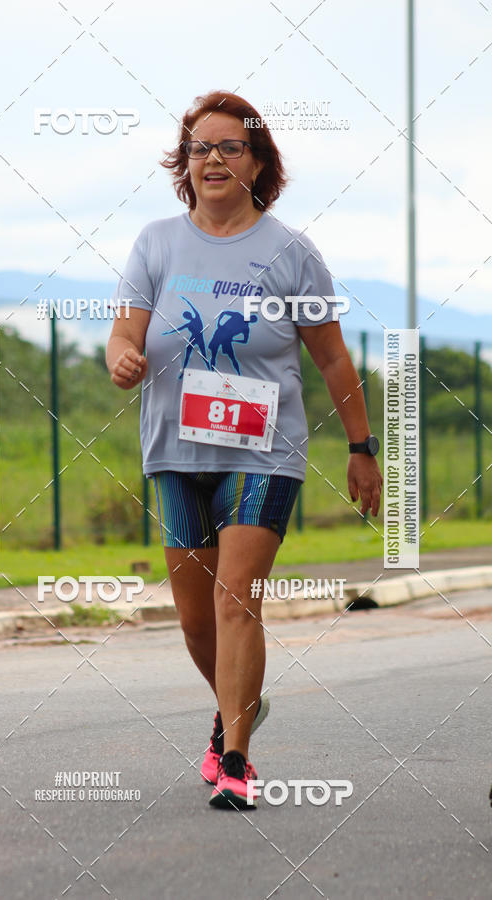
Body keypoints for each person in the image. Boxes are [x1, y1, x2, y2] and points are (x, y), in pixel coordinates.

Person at [106, 91, 382, 810]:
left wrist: (362, 447)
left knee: (237, 601)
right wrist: (123, 357)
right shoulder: (156, 243)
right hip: (175, 451)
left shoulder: (291, 253)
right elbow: (125, 333)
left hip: (264, 450)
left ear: (258, 163)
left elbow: (332, 360)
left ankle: (236, 760)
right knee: (197, 621)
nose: (214, 159)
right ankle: (236, 708)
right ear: (184, 164)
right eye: (201, 148)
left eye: (230, 147)